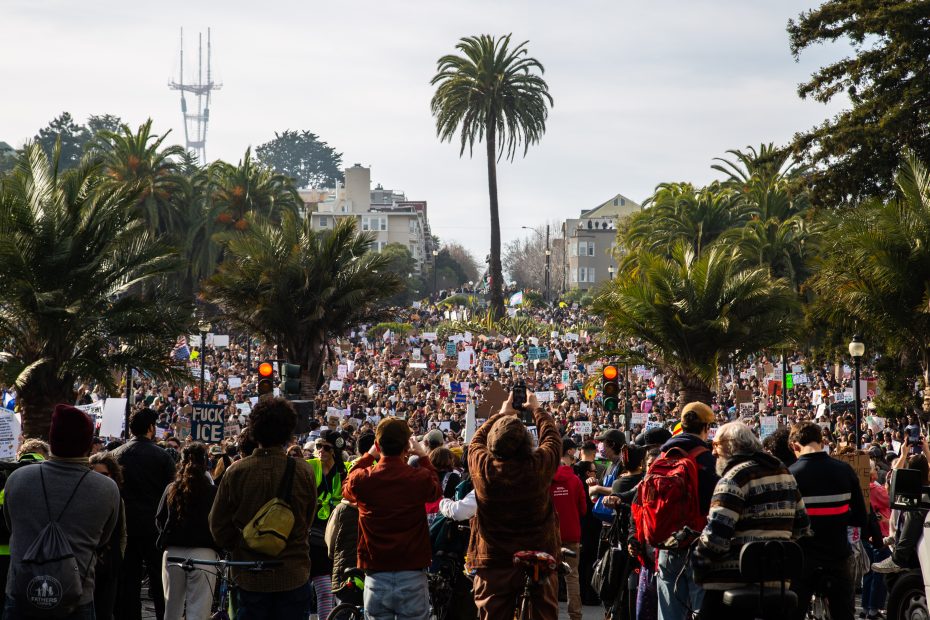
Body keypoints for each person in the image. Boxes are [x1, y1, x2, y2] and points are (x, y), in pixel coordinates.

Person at [3, 404, 120, 620]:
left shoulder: (17, 480)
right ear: (87, 443)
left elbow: (12, 526)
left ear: (52, 438)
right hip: (76, 600)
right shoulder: (106, 488)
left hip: (21, 596)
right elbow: (103, 539)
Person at [210, 397, 317, 619]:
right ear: (289, 431)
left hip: (250, 574)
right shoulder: (303, 471)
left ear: (254, 431)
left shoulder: (237, 472)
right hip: (293, 572)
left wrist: (244, 543)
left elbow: (218, 524)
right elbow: (308, 518)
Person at [693, 422, 811, 619]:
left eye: (715, 445)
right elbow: (803, 527)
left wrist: (697, 560)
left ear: (731, 444)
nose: (712, 453)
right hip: (778, 581)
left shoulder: (734, 478)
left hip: (733, 581)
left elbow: (716, 539)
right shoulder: (784, 473)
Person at [467, 391, 562, 619]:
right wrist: (536, 409)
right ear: (526, 443)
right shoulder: (538, 465)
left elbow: (474, 443)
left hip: (494, 559)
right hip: (538, 554)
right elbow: (552, 439)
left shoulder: (483, 467)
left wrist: (500, 414)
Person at [343, 418, 441, 620]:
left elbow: (347, 485)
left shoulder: (364, 479)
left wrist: (369, 456)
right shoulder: (418, 477)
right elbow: (435, 490)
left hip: (376, 575)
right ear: (407, 447)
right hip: (412, 575)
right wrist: (422, 456)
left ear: (378, 445)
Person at [789, 421, 867, 620]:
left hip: (803, 561)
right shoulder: (844, 470)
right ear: (822, 441)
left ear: (794, 446)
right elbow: (859, 516)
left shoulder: (789, 475)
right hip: (838, 558)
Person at [112, 408, 177, 620]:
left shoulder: (116, 455)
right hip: (154, 529)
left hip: (124, 527)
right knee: (160, 581)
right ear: (150, 428)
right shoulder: (162, 456)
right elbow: (171, 494)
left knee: (128, 581)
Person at [656, 402, 718, 620]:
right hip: (698, 543)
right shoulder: (708, 460)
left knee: (668, 612)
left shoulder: (661, 457)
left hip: (666, 544)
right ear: (706, 427)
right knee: (701, 610)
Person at [156, 442, 219, 620]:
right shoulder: (213, 491)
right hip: (204, 554)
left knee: (171, 608)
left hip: (173, 552)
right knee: (199, 610)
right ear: (206, 463)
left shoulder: (171, 489)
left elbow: (160, 519)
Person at [306, 429, 348, 620]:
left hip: (329, 538)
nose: (321, 450)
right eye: (318, 446)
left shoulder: (343, 470)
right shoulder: (309, 466)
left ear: (335, 450)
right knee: (301, 593)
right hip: (306, 536)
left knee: (325, 591)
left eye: (326, 447)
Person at [550, 441, 587, 620]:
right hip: (572, 533)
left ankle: (551, 614)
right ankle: (576, 616)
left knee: (550, 578)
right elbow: (583, 510)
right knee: (572, 577)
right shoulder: (575, 481)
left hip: (551, 535)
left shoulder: (547, 481)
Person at [88, 451, 126, 620]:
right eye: (94, 475)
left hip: (109, 564)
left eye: (104, 475)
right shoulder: (82, 497)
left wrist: (119, 555)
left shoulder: (117, 498)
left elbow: (122, 532)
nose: (99, 479)